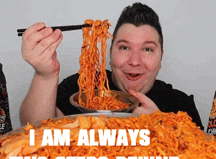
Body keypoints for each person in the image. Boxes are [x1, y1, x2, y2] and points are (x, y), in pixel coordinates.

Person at [20, 2, 204, 130]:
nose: (134, 61)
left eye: (147, 49)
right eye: (124, 47)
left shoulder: (181, 106)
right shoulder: (82, 90)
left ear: (160, 57)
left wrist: (160, 127)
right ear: (110, 54)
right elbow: (37, 127)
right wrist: (45, 75)